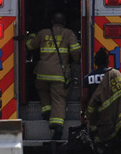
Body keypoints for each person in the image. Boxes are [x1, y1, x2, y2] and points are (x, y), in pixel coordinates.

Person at [26, 12, 81, 140]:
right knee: (59, 98)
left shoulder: (43, 33)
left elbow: (30, 45)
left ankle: (46, 110)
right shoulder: (69, 33)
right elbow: (75, 51)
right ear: (65, 23)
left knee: (43, 90)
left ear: (52, 22)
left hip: (42, 74)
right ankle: (57, 127)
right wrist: (76, 61)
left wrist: (31, 35)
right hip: (59, 75)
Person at [84, 48, 121, 154]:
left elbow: (84, 98)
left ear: (95, 63)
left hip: (99, 121)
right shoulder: (116, 75)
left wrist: (84, 114)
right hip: (117, 121)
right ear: (108, 62)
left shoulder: (88, 78)